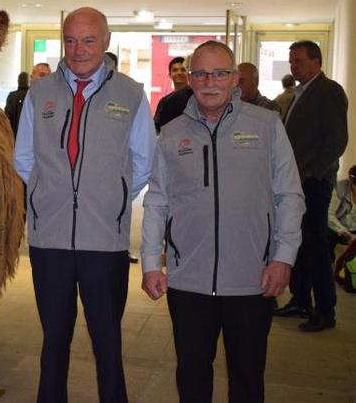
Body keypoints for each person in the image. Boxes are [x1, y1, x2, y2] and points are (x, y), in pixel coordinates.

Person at [141, 40, 305, 403]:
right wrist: (151, 264)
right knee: (192, 376)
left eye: (220, 73)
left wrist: (283, 258)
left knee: (247, 377)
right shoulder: (171, 134)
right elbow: (157, 202)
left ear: (235, 79)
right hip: (189, 282)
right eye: (200, 73)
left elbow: (289, 195)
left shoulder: (266, 126)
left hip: (252, 279)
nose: (209, 81)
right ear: (190, 80)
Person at [14, 7, 155, 403]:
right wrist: (51, 195)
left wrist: (106, 198)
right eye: (71, 40)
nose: (78, 50)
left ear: (106, 42)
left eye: (89, 40)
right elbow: (24, 158)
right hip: (50, 242)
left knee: (107, 342)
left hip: (104, 242)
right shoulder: (39, 93)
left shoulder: (130, 93)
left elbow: (144, 161)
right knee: (53, 340)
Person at [273, 40, 348, 332]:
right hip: (297, 181)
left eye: (299, 61)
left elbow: (336, 140)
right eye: (291, 61)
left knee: (316, 247)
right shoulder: (299, 92)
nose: (293, 66)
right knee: (299, 243)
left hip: (313, 184)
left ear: (316, 62)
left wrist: (311, 173)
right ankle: (301, 299)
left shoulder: (328, 91)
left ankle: (325, 309)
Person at [154, 55, 193, 132]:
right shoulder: (164, 101)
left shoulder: (195, 97)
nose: (179, 73)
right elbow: (156, 127)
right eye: (175, 70)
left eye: (183, 69)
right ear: (170, 75)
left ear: (188, 73)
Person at [327, 165, 356, 259]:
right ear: (352, 182)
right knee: (328, 235)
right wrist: (347, 234)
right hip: (338, 229)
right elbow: (329, 216)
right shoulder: (340, 187)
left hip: (353, 229)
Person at [4, 71, 29, 137]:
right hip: (27, 135)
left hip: (13, 135)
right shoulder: (31, 95)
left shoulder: (11, 96)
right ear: (28, 81)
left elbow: (7, 117)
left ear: (18, 81)